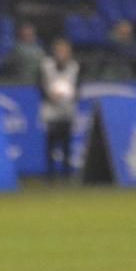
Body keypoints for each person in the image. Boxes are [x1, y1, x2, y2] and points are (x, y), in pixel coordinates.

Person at [38, 37, 80, 181]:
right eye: (60, 51)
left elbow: (78, 88)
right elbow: (40, 85)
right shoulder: (46, 66)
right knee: (51, 141)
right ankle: (50, 173)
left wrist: (70, 95)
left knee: (67, 141)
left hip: (68, 109)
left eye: (65, 51)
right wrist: (50, 95)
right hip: (51, 109)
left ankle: (67, 172)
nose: (62, 53)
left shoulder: (74, 67)